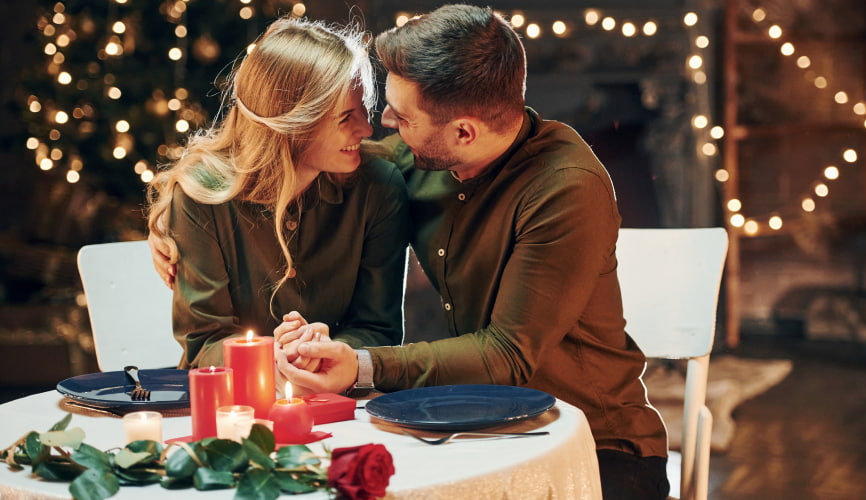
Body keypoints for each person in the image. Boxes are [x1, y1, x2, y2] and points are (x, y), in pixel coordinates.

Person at [151, 6, 669, 499]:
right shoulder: (419, 154)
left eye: (399, 117)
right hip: (474, 426)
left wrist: (359, 365)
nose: (380, 128)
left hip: (590, 442)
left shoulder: (565, 189)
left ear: (462, 131)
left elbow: (506, 354)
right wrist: (168, 213)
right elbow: (289, 149)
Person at [145, 16, 411, 370]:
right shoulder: (201, 198)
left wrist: (329, 351)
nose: (367, 127)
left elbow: (379, 329)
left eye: (364, 106)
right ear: (292, 125)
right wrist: (269, 355)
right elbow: (203, 343)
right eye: (346, 117)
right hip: (233, 405)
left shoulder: (379, 186)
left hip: (342, 401)